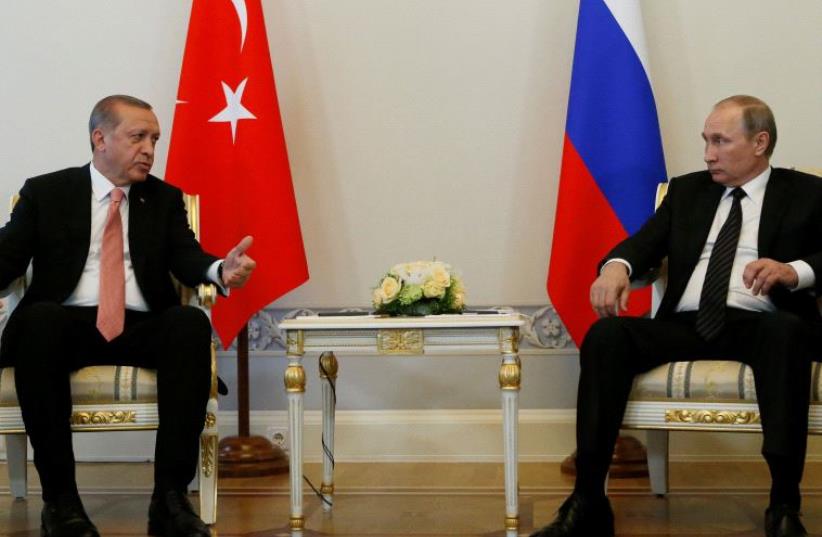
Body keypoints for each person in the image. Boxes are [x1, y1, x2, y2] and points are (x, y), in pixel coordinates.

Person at [531, 95, 821, 537]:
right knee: (607, 336)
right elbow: (642, 244)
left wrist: (792, 271)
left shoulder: (806, 192)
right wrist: (616, 266)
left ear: (760, 142)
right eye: (706, 140)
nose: (708, 153)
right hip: (686, 322)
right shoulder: (687, 192)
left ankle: (783, 504)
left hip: (762, 321)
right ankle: (588, 500)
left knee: (785, 332)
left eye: (721, 141)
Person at [0, 95, 256, 537]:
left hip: (140, 324)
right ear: (100, 139)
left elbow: (186, 255)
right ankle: (61, 503)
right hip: (66, 323)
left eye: (154, 139)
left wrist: (219, 270)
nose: (149, 149)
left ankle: (170, 500)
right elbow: (6, 260)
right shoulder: (47, 192)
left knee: (189, 323)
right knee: (38, 321)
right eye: (138, 137)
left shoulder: (163, 198)